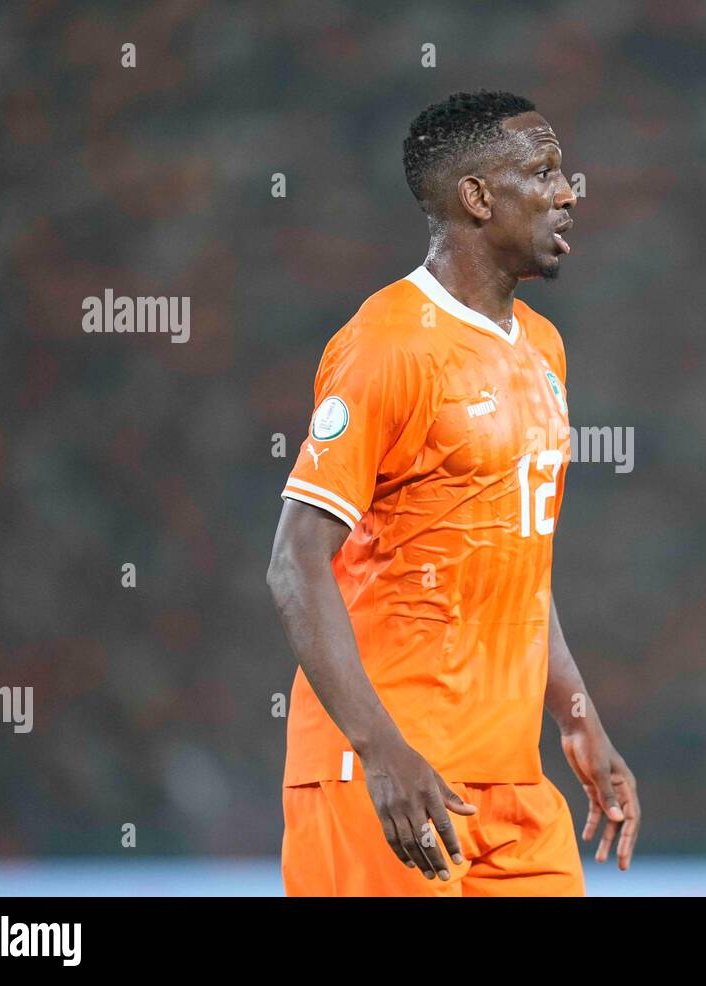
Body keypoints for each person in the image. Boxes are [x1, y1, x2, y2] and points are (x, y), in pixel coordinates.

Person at [266, 90, 639, 896]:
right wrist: (379, 750)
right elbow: (296, 562)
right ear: (476, 197)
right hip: (391, 779)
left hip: (511, 784)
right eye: (543, 171)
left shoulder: (543, 346)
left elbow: (519, 559)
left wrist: (577, 717)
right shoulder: (386, 345)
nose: (569, 190)